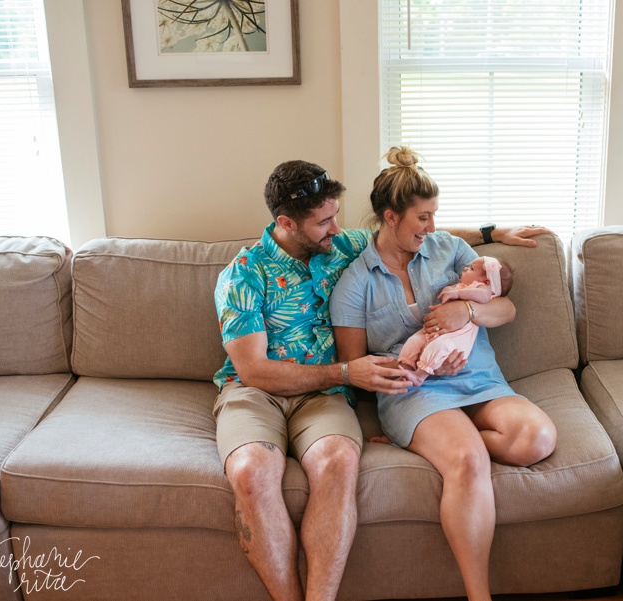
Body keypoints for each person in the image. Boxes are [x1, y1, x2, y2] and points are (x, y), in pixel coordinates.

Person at [213, 158, 548, 601]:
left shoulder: (339, 244)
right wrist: (348, 372)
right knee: (252, 473)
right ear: (287, 223)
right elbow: (254, 370)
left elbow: (418, 232)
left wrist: (493, 233)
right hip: (259, 391)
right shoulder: (243, 274)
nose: (337, 229)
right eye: (324, 222)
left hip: (324, 396)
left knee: (338, 462)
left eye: (336, 216)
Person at [330, 147, 557, 601]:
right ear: (390, 217)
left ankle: (437, 440)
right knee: (468, 460)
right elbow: (357, 371)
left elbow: (505, 309)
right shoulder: (356, 282)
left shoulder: (450, 250)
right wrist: (418, 366)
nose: (432, 226)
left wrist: (466, 312)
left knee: (537, 439)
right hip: (415, 392)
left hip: (479, 379)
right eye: (423, 218)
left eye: (434, 215)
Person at [397, 255, 513, 386]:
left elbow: (485, 297)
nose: (465, 268)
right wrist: (448, 290)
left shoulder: (482, 289)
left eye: (471, 268)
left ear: (486, 281)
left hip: (455, 336)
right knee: (414, 341)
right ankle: (404, 370)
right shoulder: (460, 285)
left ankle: (419, 376)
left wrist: (459, 296)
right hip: (433, 330)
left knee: (438, 347)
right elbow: (449, 289)